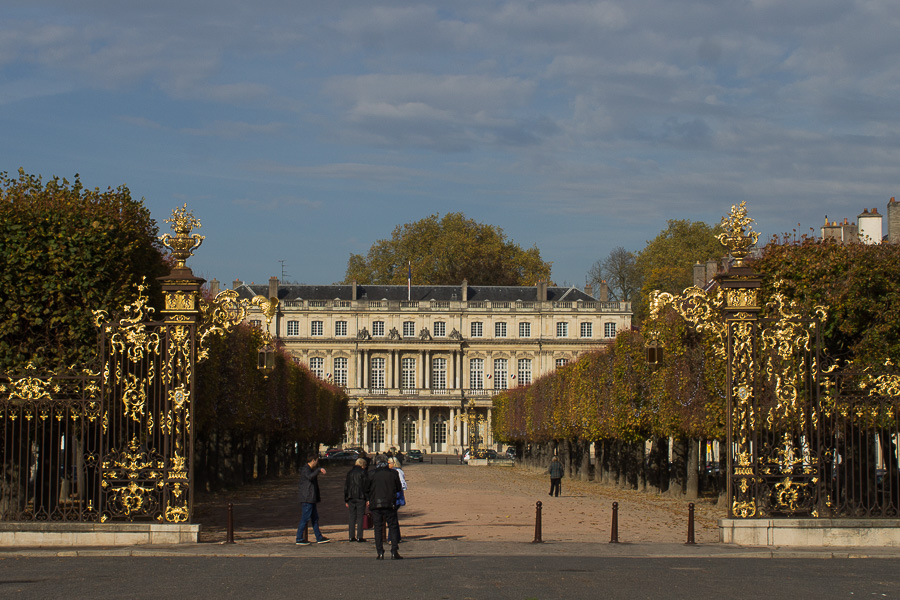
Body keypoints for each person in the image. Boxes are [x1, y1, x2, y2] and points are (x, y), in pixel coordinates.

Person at [367, 455, 402, 560]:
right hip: (389, 503)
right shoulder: (394, 473)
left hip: (375, 504)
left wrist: (369, 499)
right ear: (387, 462)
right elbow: (398, 488)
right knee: (393, 526)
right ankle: (394, 551)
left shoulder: (371, 474)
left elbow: (366, 489)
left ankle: (380, 552)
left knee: (377, 528)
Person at [296, 452, 330, 545]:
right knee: (305, 518)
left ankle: (319, 537)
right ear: (313, 460)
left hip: (311, 498)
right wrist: (318, 470)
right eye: (316, 461)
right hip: (307, 498)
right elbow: (310, 477)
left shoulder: (310, 469)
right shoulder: (306, 469)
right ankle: (299, 538)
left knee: (315, 518)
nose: (317, 463)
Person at [344, 457, 369, 542]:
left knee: (352, 517)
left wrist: (346, 499)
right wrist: (368, 498)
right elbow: (366, 487)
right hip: (360, 497)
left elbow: (346, 487)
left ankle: (351, 536)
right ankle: (359, 536)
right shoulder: (363, 472)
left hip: (351, 497)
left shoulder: (350, 473)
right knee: (360, 517)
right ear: (362, 465)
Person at [387, 456, 407, 544]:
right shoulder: (393, 471)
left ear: (393, 463)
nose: (387, 465)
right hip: (395, 496)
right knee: (393, 518)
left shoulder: (397, 472)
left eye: (388, 463)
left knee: (391, 519)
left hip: (396, 497)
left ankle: (391, 538)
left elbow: (403, 484)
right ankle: (397, 537)